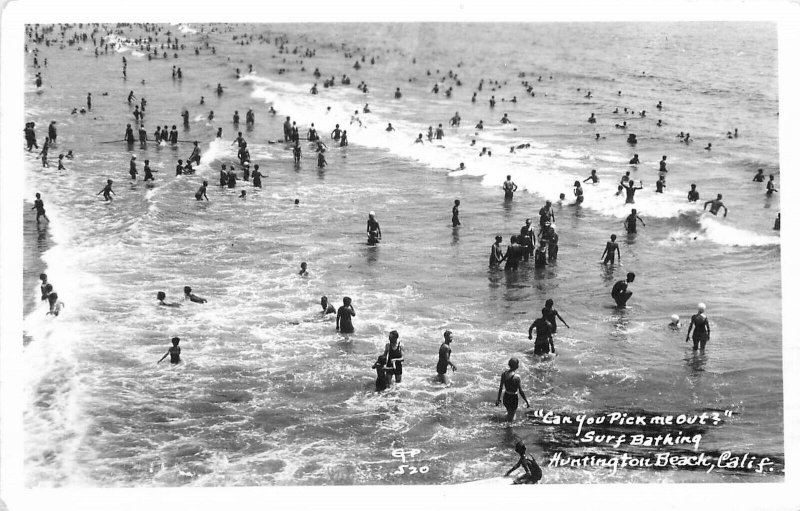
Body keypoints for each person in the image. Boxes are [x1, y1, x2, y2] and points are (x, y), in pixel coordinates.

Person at [495, 358, 529, 422]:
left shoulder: (504, 374)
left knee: (510, 412)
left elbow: (500, 388)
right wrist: (526, 401)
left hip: (506, 397)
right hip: (513, 398)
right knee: (512, 415)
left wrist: (498, 399)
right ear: (517, 366)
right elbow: (520, 391)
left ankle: (507, 423)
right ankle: (508, 429)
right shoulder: (517, 377)